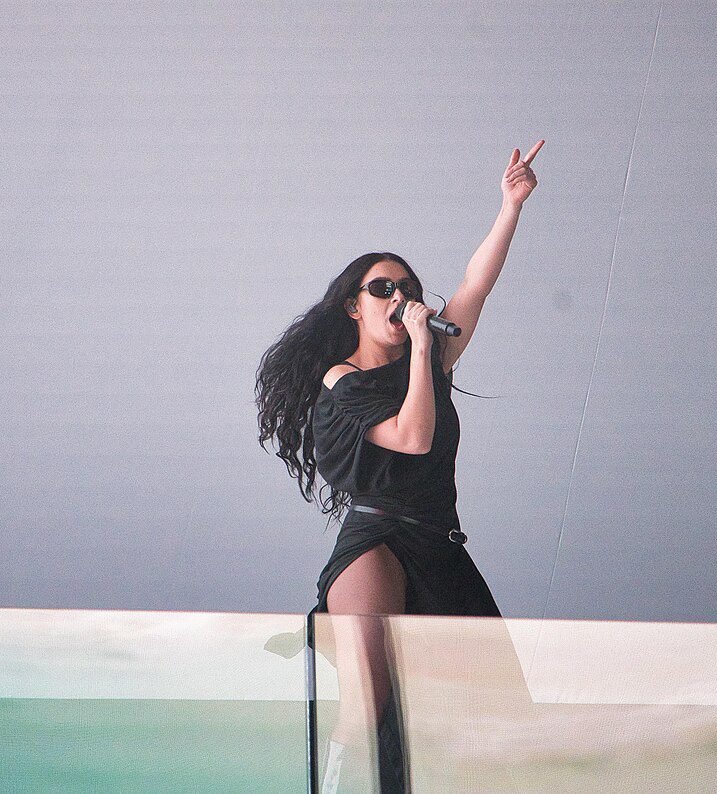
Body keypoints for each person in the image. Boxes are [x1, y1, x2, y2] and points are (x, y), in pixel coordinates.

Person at [256, 141, 543, 791]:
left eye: (407, 288)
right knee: (369, 705)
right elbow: (412, 438)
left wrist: (510, 207)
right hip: (375, 541)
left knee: (493, 717)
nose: (399, 296)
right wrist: (419, 348)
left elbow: (474, 286)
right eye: (381, 288)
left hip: (439, 544)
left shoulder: (428, 363)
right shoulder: (342, 379)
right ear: (354, 306)